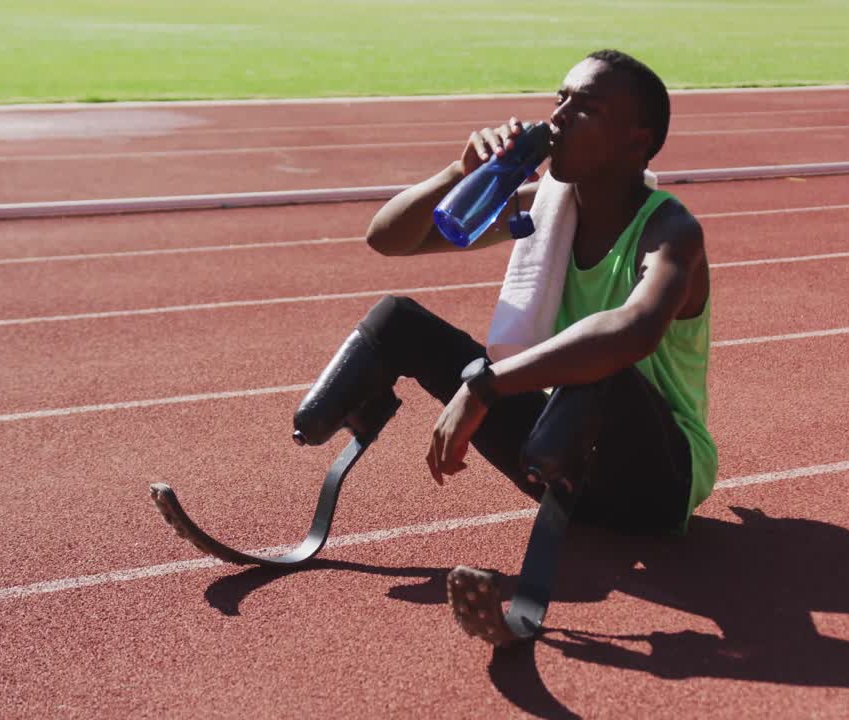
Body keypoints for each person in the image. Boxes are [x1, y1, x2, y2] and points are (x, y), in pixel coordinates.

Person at [293, 48, 716, 575]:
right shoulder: (544, 209)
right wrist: (463, 174)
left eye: (585, 108)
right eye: (559, 99)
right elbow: (388, 238)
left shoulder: (671, 232)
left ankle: (531, 592)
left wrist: (483, 387)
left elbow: (632, 332)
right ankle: (328, 451)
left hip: (656, 484)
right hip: (560, 451)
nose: (557, 117)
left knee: (599, 364)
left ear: (638, 139)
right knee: (397, 321)